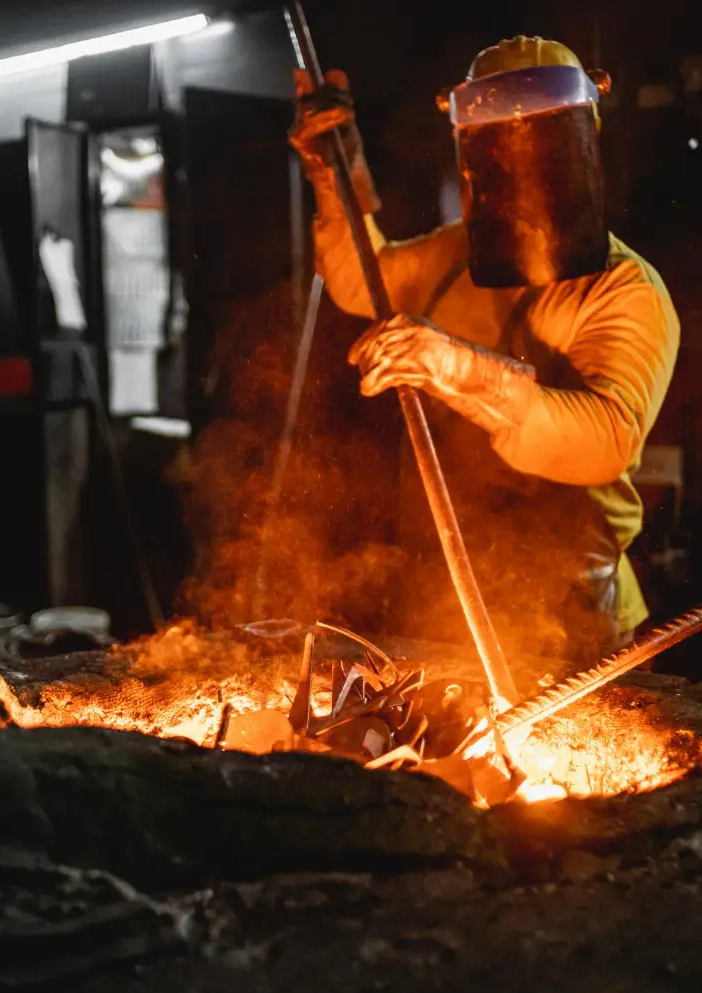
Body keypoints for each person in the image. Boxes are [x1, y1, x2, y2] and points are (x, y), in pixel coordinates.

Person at [289, 37, 680, 664]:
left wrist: (455, 366)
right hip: (439, 591)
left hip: (567, 613)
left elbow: (604, 442)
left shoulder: (622, 289)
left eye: (540, 141)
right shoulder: (454, 255)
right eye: (494, 145)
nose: (516, 165)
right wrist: (337, 172)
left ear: (583, 143)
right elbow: (361, 280)